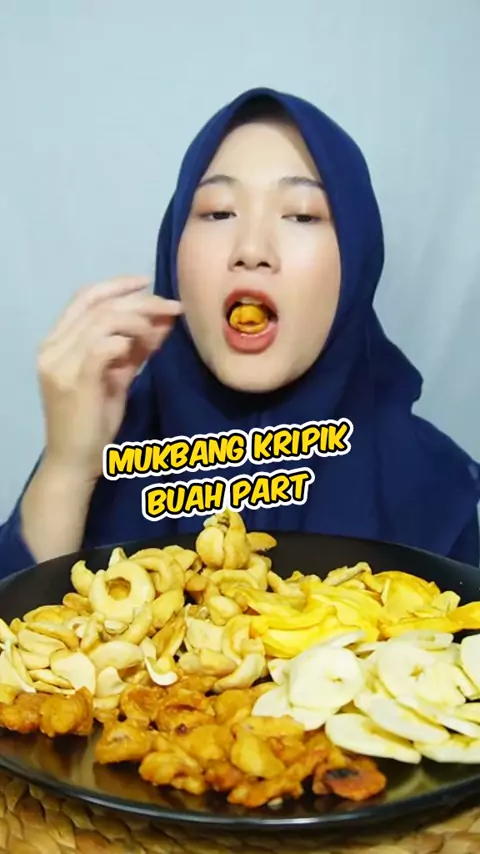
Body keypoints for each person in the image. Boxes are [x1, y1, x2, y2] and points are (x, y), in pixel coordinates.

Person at [0, 86, 479, 579]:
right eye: (218, 212)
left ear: (357, 261)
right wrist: (67, 467)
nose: (251, 249)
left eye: (302, 214)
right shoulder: (103, 451)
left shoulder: (434, 491)